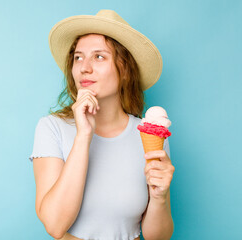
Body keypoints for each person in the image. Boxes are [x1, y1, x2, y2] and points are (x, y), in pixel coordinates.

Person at [29, 9, 175, 240]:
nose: (84, 67)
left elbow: (158, 237)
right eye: (78, 57)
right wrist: (83, 136)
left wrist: (161, 197)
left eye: (99, 56)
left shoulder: (150, 136)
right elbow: (55, 226)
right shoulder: (52, 128)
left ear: (125, 70)